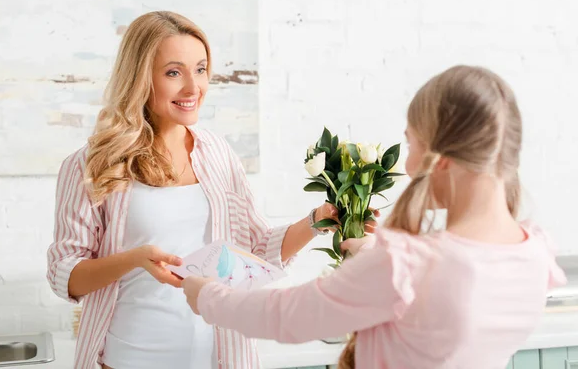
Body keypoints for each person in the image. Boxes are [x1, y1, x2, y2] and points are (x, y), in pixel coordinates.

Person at [182, 65, 567, 369]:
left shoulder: (406, 265)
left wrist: (208, 297)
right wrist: (373, 261)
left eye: (412, 143)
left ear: (443, 159)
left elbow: (289, 315)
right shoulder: (535, 255)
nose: (408, 161)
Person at [46, 10, 339, 369]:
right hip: (128, 359)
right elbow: (66, 275)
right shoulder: (90, 164)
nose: (193, 87)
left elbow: (256, 249)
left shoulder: (217, 152)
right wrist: (135, 258)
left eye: (200, 69)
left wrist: (317, 221)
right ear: (141, 78)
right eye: (173, 72)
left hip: (219, 358)